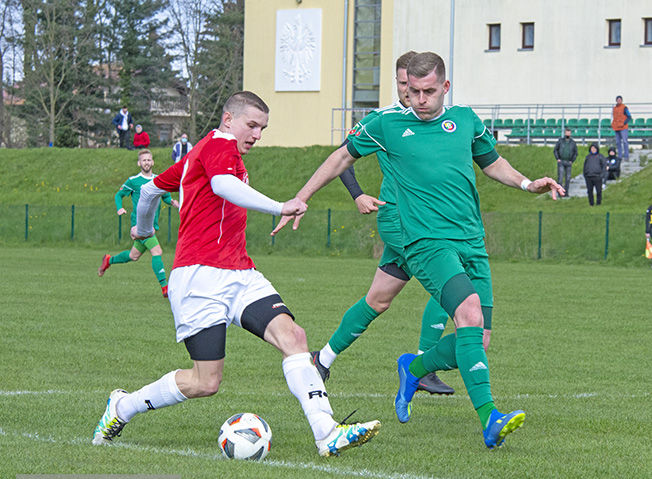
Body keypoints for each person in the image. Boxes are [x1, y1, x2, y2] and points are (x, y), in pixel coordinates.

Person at [273, 52, 564, 449]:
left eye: (429, 91)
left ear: (445, 87)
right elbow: (341, 156)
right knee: (468, 313)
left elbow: (492, 163)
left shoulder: (465, 120)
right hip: (423, 241)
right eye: (412, 91)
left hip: (471, 241)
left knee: (477, 340)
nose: (419, 99)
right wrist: (302, 196)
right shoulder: (386, 123)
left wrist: (527, 183)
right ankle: (489, 418)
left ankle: (414, 367)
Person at [92, 91, 381, 458]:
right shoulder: (219, 145)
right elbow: (222, 186)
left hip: (240, 273)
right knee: (205, 382)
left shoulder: (203, 155)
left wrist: (144, 228)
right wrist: (279, 207)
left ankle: (327, 432)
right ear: (229, 120)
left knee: (293, 336)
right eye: (252, 125)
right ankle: (122, 407)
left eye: (262, 128)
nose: (258, 134)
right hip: (199, 278)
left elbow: (149, 192)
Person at [309, 51, 455, 395]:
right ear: (397, 82)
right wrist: (357, 193)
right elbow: (342, 156)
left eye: (415, 85)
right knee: (453, 280)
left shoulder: (433, 120)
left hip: (422, 222)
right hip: (404, 223)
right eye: (404, 84)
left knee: (378, 299)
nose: (410, 92)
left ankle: (323, 359)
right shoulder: (386, 120)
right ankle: (421, 365)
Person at [98, 149, 179, 297]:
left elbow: (165, 196)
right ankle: (165, 287)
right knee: (157, 251)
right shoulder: (134, 181)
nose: (146, 163)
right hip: (139, 225)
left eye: (149, 160)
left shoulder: (158, 179)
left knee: (133, 256)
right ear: (139, 163)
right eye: (144, 160)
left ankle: (109, 260)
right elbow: (119, 194)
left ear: (152, 162)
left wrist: (172, 202)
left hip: (151, 225)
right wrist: (120, 208)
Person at [553, 128, 578, 196]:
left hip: (568, 162)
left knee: (568, 178)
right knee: (560, 178)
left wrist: (572, 160)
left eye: (569, 133)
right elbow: (555, 150)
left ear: (570, 134)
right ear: (564, 133)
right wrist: (557, 158)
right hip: (561, 161)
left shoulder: (573, 142)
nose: (568, 134)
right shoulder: (560, 141)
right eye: (566, 133)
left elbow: (576, 152)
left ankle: (566, 193)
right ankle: (559, 193)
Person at [611, 95, 631, 160]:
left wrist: (623, 123)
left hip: (623, 128)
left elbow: (629, 116)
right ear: (616, 101)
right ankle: (619, 156)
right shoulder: (614, 108)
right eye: (618, 100)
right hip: (616, 128)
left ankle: (626, 156)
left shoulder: (624, 108)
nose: (619, 101)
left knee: (625, 142)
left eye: (620, 100)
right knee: (618, 142)